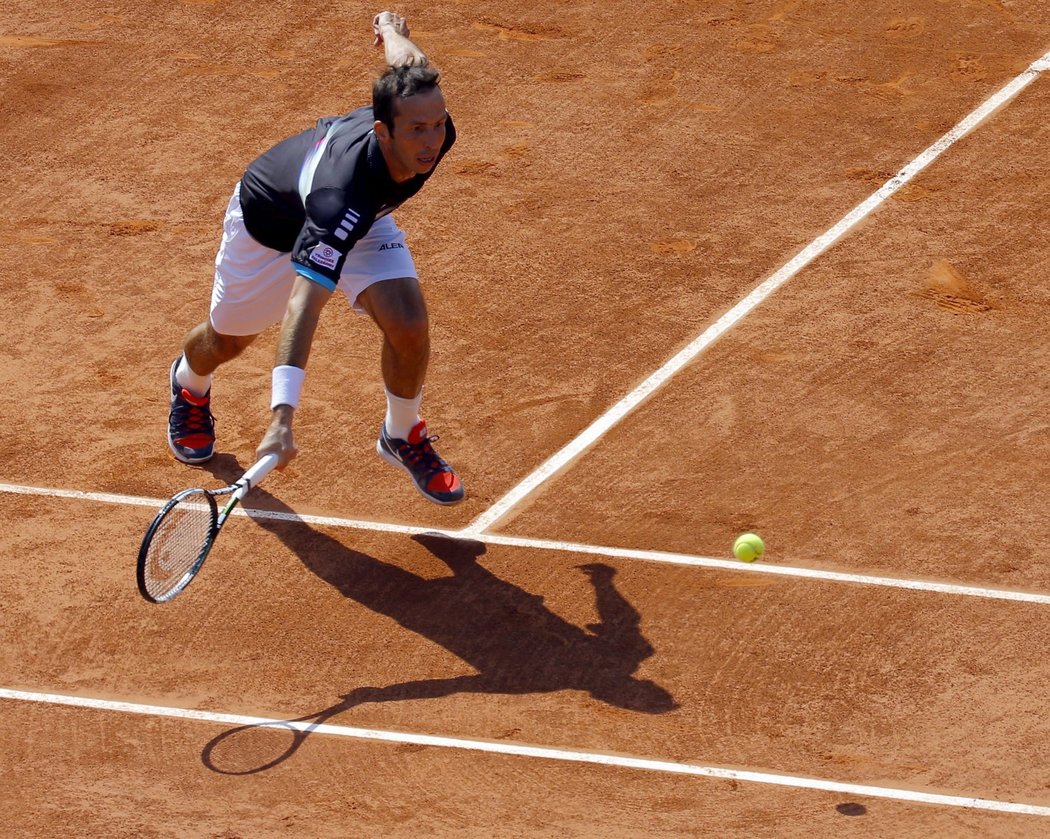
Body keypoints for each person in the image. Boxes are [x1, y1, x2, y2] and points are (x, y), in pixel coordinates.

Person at [166, 10, 463, 505]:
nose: (432, 139)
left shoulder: (427, 123)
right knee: (228, 341)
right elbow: (304, 306)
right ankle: (189, 383)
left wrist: (390, 31)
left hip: (364, 218)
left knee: (408, 322)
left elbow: (410, 65)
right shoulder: (336, 194)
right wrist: (281, 419)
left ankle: (402, 433)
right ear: (383, 131)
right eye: (417, 130)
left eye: (436, 124)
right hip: (270, 228)